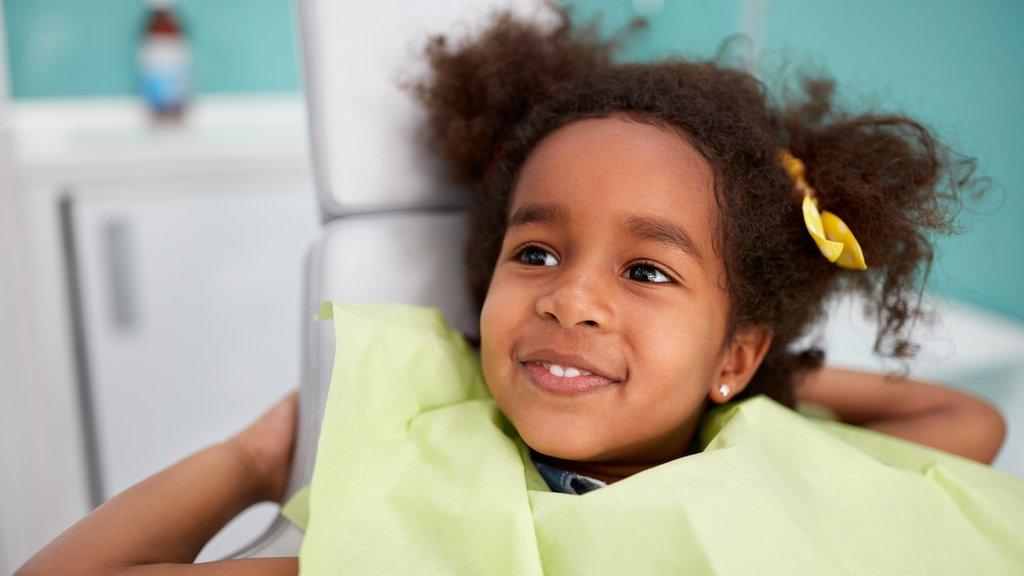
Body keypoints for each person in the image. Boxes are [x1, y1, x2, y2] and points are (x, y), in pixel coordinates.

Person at [16, 4, 1006, 575]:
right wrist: (258, 456)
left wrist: (755, 387)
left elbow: (964, 420)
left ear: (736, 352)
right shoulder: (425, 503)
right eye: (533, 253)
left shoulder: (781, 460)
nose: (569, 301)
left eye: (646, 270)